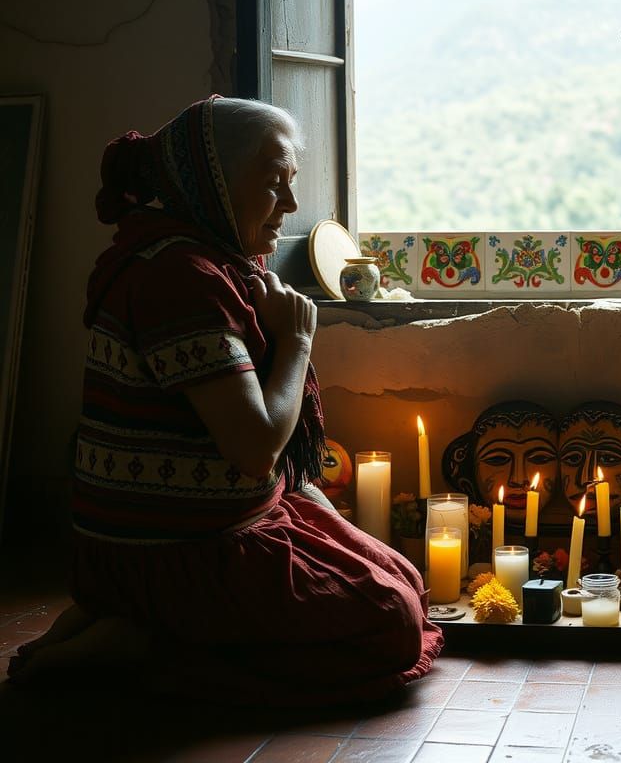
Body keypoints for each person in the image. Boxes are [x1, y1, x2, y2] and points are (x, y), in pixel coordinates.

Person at [7, 95, 442, 705]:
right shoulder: (180, 278)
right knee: (391, 625)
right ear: (213, 184)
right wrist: (297, 341)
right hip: (178, 554)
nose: (290, 205)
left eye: (291, 182)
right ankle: (148, 645)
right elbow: (257, 450)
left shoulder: (210, 260)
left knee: (406, 583)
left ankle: (121, 622)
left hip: (223, 523)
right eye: (273, 183)